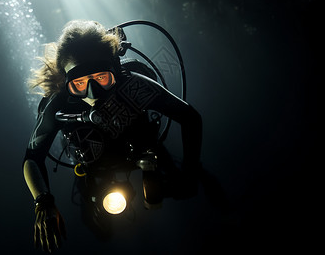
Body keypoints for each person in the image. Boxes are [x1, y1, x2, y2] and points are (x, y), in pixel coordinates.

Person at [23, 20, 202, 253]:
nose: (93, 93)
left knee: (183, 191)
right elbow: (33, 157)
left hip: (144, 152)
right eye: (79, 83)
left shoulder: (134, 85)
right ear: (66, 83)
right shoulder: (58, 103)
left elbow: (190, 118)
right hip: (94, 167)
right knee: (100, 229)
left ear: (115, 70)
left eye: (101, 78)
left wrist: (190, 172)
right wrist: (42, 201)